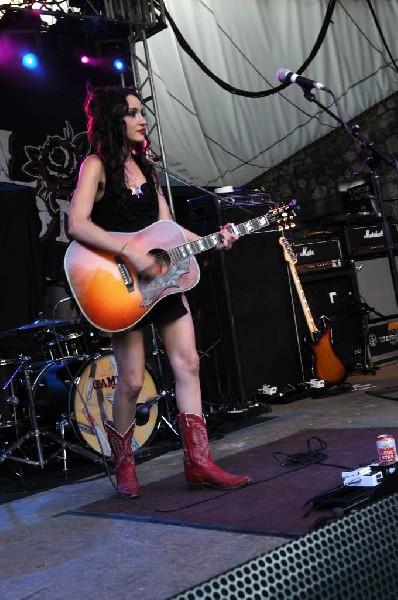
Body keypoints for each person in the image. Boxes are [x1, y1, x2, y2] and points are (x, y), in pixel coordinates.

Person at [67, 85, 251, 498]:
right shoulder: (95, 166)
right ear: (115, 119)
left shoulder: (148, 169)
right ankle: (125, 463)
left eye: (142, 112)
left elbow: (167, 230)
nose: (142, 119)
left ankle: (199, 463)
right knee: (131, 382)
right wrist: (130, 250)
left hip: (163, 286)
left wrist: (211, 237)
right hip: (121, 286)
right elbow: (76, 225)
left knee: (188, 364)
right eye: (133, 113)